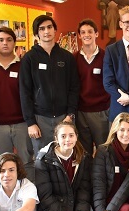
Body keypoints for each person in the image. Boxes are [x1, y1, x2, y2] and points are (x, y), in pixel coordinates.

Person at [20, 15, 80, 156]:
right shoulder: (29, 58)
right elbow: (25, 92)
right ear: (37, 33)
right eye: (42, 29)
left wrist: (70, 114)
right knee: (42, 158)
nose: (46, 31)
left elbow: (74, 87)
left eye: (49, 27)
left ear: (55, 30)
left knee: (66, 155)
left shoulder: (67, 57)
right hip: (40, 119)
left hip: (64, 117)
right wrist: (30, 122)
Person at [35, 122, 96, 211]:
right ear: (56, 138)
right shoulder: (43, 159)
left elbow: (84, 191)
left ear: (76, 137)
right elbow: (45, 196)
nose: (67, 140)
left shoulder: (84, 157)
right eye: (63, 136)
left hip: (75, 207)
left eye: (71, 135)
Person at [0, 27, 34, 180]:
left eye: (9, 40)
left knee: (26, 161)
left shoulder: (24, 65)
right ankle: (1, 199)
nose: (5, 43)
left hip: (22, 123)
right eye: (1, 40)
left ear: (15, 42)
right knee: (2, 164)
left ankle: (29, 196)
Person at [74, 19, 111, 155]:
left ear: (96, 34)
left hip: (101, 111)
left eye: (90, 31)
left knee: (103, 150)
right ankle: (86, 177)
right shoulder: (74, 58)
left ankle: (101, 177)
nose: (86, 35)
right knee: (84, 153)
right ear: (79, 35)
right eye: (83, 32)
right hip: (81, 112)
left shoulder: (106, 56)